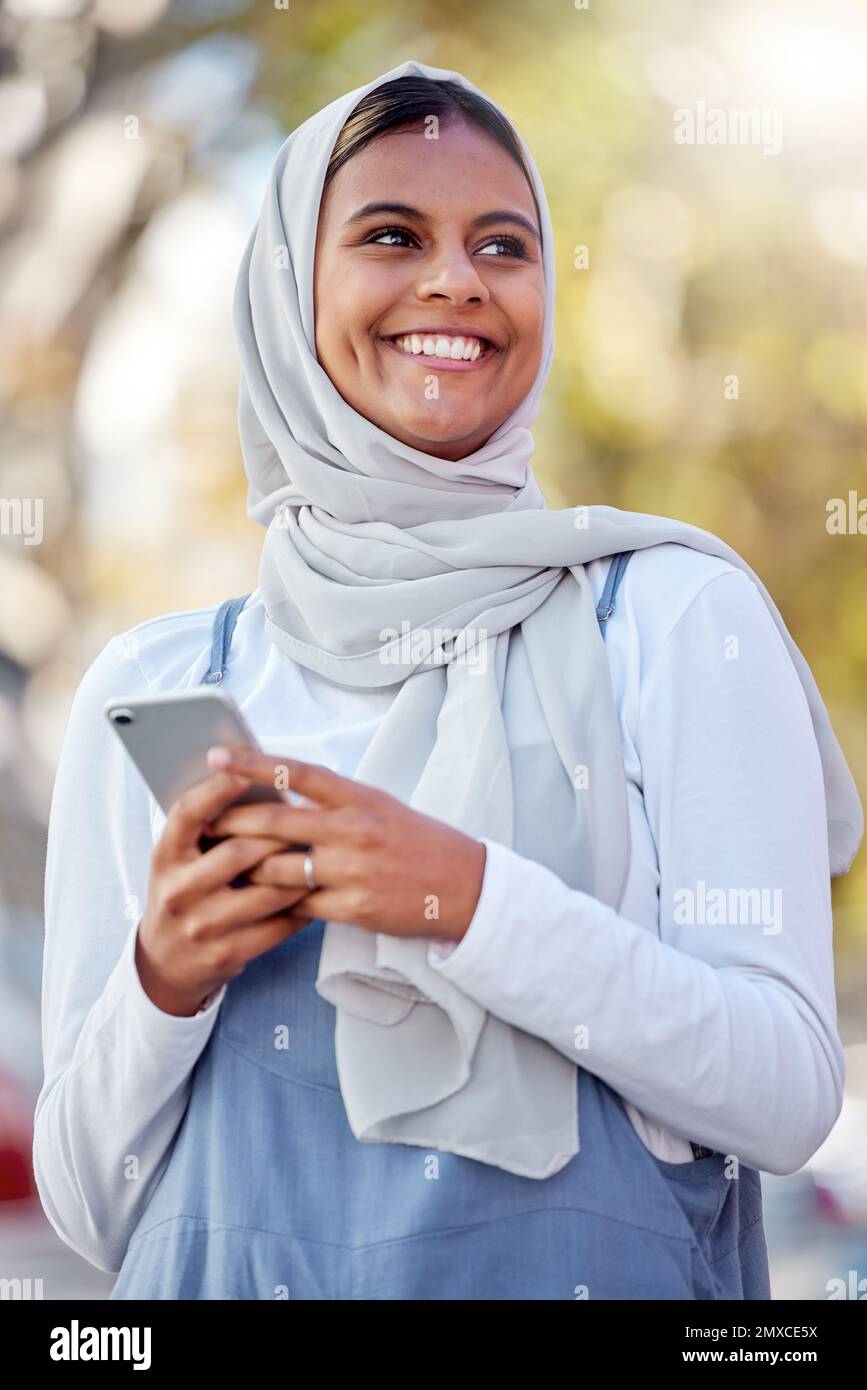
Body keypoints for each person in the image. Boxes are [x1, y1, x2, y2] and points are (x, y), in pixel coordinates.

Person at [33, 59, 863, 1301]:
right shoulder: (158, 684)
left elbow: (789, 1095)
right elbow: (92, 1212)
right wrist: (166, 980)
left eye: (501, 244)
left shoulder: (673, 617)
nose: (455, 282)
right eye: (389, 234)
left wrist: (471, 902)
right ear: (286, 288)